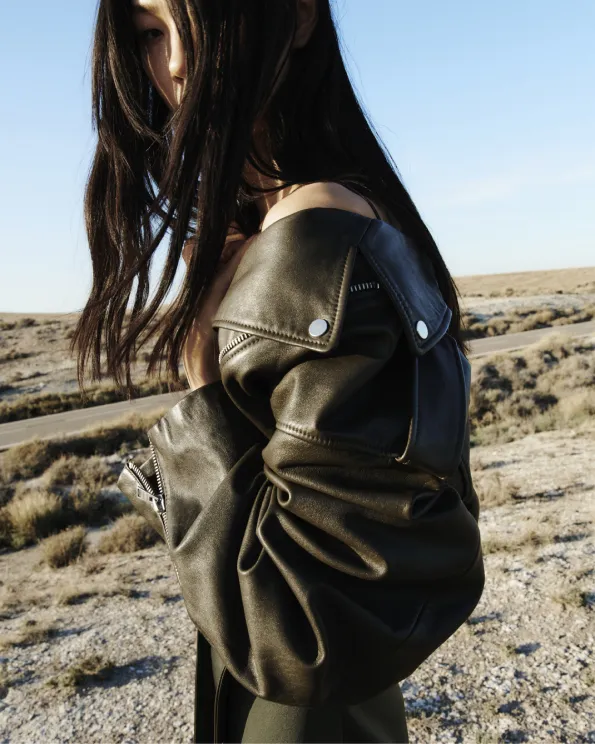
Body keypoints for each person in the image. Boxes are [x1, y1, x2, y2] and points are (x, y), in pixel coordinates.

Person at [72, 0, 485, 741]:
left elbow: (303, 631)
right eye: (147, 32)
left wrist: (203, 395)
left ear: (295, 17)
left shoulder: (313, 232)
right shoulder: (320, 212)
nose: (173, 63)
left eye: (197, 19)